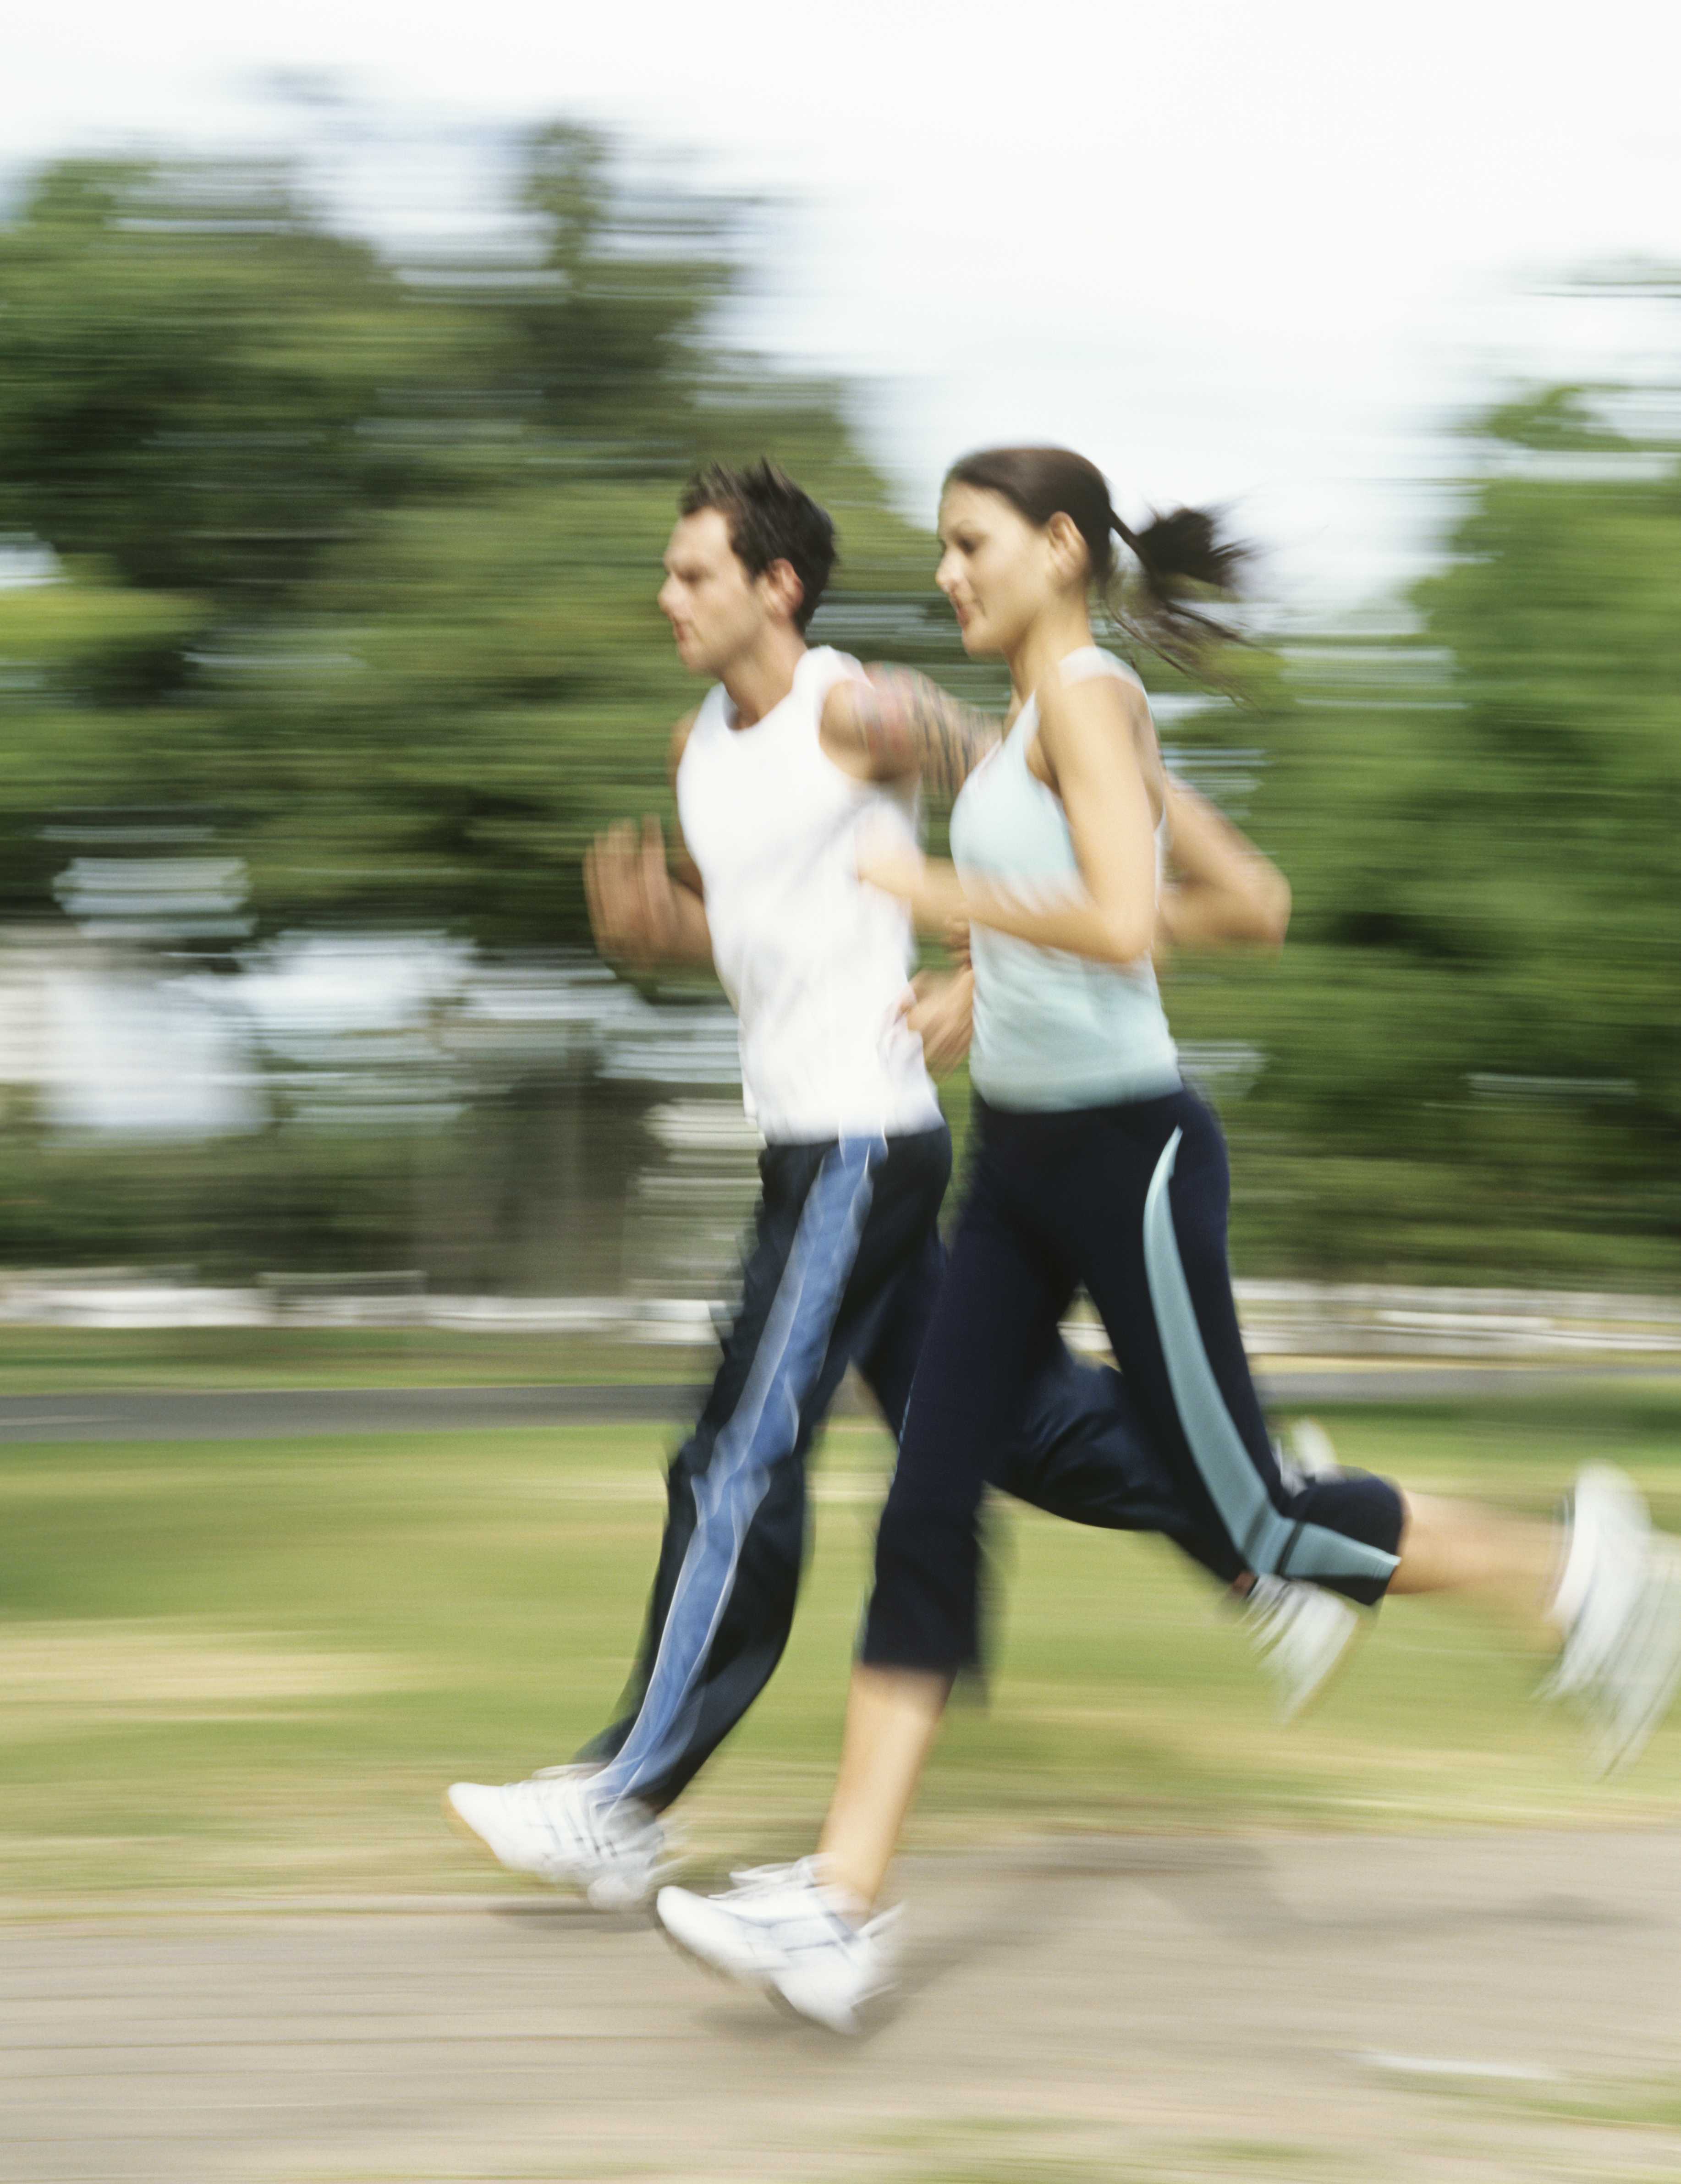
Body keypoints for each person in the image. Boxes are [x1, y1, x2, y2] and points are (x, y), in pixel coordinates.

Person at [654, 444, 1681, 2031]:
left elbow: (1126, 920)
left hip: (1127, 1162)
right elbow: (1244, 900)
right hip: (1015, 1166)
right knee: (928, 1501)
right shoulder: (1029, 723)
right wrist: (978, 988)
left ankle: (1579, 1584)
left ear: (1058, 551)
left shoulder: (1084, 700)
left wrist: (938, 891)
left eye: (969, 545)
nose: (944, 575)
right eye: (941, 550)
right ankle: (840, 1909)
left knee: (1259, 1522)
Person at [445, 460, 1351, 1909]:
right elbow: (768, 935)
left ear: (775, 587)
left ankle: (626, 1797)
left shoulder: (855, 709)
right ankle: (1262, 1530)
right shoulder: (703, 749)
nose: (665, 596)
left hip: (862, 1139)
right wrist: (660, 935)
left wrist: (978, 962)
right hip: (807, 1132)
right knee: (1017, 1430)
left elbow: (1020, 790)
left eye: (693, 574)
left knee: (738, 1452)